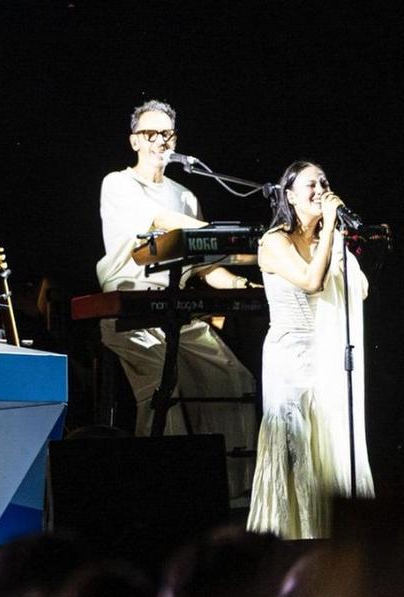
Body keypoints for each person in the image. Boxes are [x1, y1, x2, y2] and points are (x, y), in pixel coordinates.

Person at [96, 99, 257, 497]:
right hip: (132, 308)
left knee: (234, 378)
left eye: (166, 134)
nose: (160, 141)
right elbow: (162, 225)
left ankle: (233, 491)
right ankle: (163, 493)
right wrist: (220, 234)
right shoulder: (117, 183)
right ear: (135, 141)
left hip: (177, 309)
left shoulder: (185, 196)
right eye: (150, 133)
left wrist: (242, 282)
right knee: (164, 386)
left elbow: (203, 266)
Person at [247, 161, 373, 539]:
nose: (321, 191)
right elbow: (311, 281)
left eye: (325, 183)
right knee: (295, 449)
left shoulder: (327, 242)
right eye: (311, 185)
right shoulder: (274, 241)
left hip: (327, 358)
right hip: (289, 359)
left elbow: (361, 289)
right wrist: (331, 227)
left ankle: (329, 537)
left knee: (327, 448)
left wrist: (336, 241)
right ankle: (291, 540)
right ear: (289, 195)